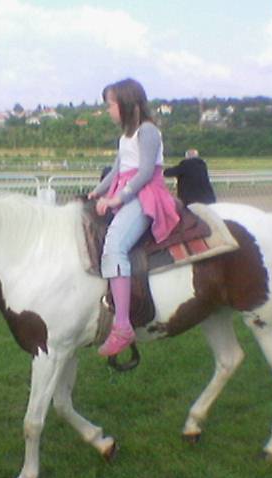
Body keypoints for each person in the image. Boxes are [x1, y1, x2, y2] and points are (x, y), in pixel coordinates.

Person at [88, 78, 180, 356]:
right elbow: (118, 170)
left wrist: (118, 198)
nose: (108, 110)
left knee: (115, 245)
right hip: (128, 191)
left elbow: (145, 173)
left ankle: (122, 325)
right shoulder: (126, 136)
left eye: (111, 104)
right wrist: (97, 192)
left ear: (126, 104)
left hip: (145, 194)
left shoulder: (147, 131)